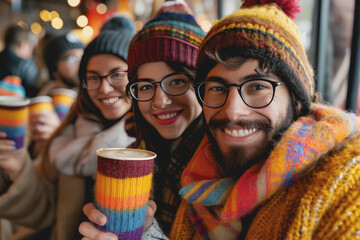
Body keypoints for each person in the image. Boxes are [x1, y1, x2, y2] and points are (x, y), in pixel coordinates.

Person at [82, 0, 360, 239]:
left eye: (258, 86)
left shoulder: (344, 180)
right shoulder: (205, 181)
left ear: (298, 99)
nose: (233, 111)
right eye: (217, 88)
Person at [78, 0, 206, 239]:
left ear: (203, 84)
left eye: (177, 81)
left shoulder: (226, 160)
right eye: (146, 86)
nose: (160, 101)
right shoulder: (135, 151)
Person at [0, 28, 137, 240]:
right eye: (93, 78)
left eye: (117, 74)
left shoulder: (148, 140)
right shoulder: (71, 135)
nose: (104, 88)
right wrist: (18, 167)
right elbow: (44, 212)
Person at [0, 24, 39, 97]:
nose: (30, 54)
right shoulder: (26, 65)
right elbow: (32, 95)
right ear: (23, 45)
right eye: (30, 48)